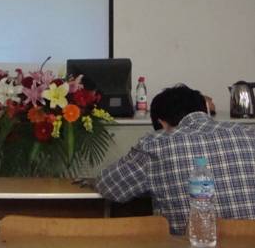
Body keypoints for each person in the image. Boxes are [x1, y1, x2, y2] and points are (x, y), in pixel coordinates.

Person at [96, 84, 255, 235]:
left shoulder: (155, 144)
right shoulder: (250, 133)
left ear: (162, 123)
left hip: (190, 243)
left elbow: (109, 186)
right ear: (205, 110)